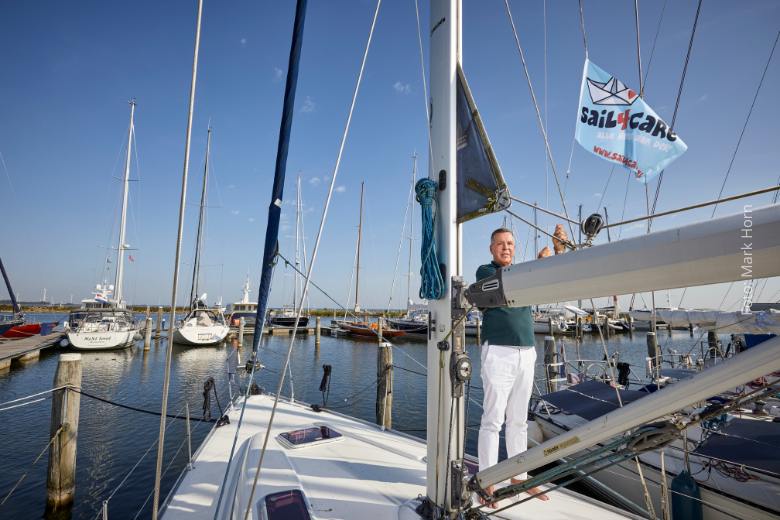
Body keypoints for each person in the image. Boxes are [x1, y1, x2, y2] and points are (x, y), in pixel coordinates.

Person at [476, 225, 568, 506]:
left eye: (511, 244)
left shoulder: (523, 277)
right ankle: (487, 482)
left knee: (518, 420)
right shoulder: (485, 273)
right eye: (501, 243)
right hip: (499, 352)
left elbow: (545, 281)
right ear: (492, 248)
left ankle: (519, 478)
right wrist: (538, 265)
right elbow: (507, 283)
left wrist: (558, 252)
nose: (506, 247)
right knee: (493, 420)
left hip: (526, 353)